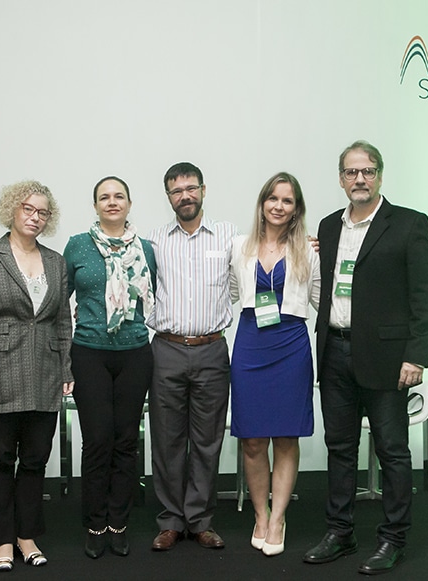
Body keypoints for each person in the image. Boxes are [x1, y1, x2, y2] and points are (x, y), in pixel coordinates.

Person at [304, 140, 428, 575]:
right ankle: (340, 532)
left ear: (380, 175)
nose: (359, 179)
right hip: (334, 351)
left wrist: (416, 356)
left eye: (367, 171)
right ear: (341, 179)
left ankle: (393, 539)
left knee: (392, 450)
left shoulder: (409, 224)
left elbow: (426, 296)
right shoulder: (329, 226)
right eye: (351, 172)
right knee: (339, 448)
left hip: (387, 358)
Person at [0, 180, 74, 572]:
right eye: (28, 208)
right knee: (0, 459)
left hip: (44, 373)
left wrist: (66, 367)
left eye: (42, 212)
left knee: (35, 460)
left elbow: (62, 322)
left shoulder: (56, 262)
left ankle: (27, 536)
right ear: (12, 209)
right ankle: (1, 540)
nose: (35, 217)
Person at [63, 176, 156, 559]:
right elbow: (59, 303)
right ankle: (95, 524)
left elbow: (156, 296)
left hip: (135, 353)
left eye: (119, 196)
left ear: (129, 204)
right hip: (89, 353)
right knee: (98, 440)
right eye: (105, 197)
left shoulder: (146, 249)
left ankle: (119, 523)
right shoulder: (77, 246)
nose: (112, 202)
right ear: (95, 205)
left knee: (126, 442)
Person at [229, 172, 321, 556]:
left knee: (285, 437)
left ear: (296, 209)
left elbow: (322, 299)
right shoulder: (239, 246)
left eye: (287, 200)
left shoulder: (310, 251)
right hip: (251, 345)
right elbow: (231, 291)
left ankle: (279, 518)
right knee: (252, 440)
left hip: (290, 347)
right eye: (273, 198)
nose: (278, 206)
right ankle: (260, 515)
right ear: (262, 203)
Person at [147, 162, 237, 551]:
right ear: (168, 197)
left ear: (203, 190)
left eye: (191, 188)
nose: (185, 196)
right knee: (167, 440)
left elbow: (266, 252)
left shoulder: (230, 236)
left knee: (207, 440)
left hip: (212, 350)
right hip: (166, 350)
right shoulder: (152, 242)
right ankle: (170, 520)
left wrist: (308, 243)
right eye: (176, 191)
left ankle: (199, 520)